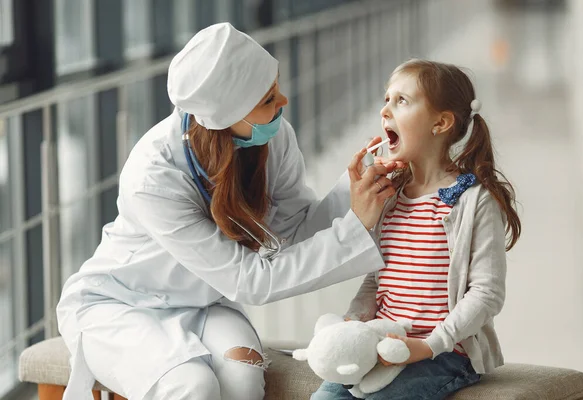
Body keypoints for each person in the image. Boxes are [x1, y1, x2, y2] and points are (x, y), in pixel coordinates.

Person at [56, 23, 398, 400]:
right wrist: (356, 225)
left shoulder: (273, 134)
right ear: (228, 114)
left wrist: (355, 193)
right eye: (269, 98)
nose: (283, 101)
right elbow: (250, 281)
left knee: (243, 377)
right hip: (121, 304)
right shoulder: (153, 177)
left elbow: (295, 230)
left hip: (204, 303)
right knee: (190, 385)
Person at [311, 59, 522, 400]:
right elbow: (375, 277)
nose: (385, 110)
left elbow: (487, 294)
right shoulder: (390, 197)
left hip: (444, 354)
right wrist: (353, 321)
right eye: (386, 98)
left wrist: (427, 345)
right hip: (380, 343)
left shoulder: (473, 201)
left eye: (401, 101)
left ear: (440, 122)